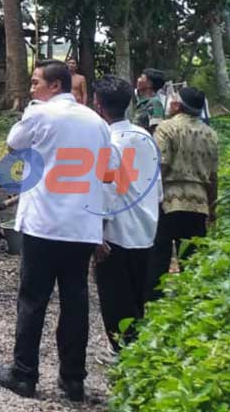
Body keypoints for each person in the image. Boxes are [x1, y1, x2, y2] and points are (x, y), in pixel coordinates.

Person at [0, 60, 118, 402]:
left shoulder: (40, 113)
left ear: (56, 86)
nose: (32, 89)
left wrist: (32, 109)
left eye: (36, 83)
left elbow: (14, 143)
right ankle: (73, 379)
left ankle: (24, 375)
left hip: (44, 224)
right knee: (75, 300)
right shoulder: (97, 122)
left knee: (33, 299)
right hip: (81, 225)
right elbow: (105, 170)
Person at [90, 76, 160, 355]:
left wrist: (97, 234)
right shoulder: (145, 137)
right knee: (137, 298)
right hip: (147, 229)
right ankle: (139, 352)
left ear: (98, 105)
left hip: (117, 233)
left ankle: (123, 354)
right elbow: (158, 187)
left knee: (115, 298)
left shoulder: (108, 142)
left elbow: (107, 192)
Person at [147, 86, 218, 301]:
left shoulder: (166, 128)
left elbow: (160, 166)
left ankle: (152, 303)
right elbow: (214, 176)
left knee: (158, 257)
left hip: (168, 200)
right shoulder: (210, 134)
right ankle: (192, 303)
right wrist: (213, 209)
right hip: (198, 203)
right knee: (192, 258)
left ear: (177, 105)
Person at [132, 68, 168, 132]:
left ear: (149, 84)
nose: (138, 80)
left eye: (141, 78)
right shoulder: (141, 102)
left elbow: (157, 130)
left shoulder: (155, 103)